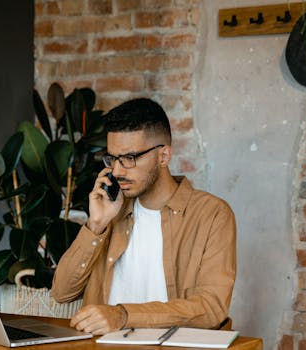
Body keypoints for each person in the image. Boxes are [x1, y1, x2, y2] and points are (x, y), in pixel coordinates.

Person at [50, 98, 236, 335]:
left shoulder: (212, 214)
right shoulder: (111, 211)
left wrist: (123, 315)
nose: (117, 171)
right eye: (113, 159)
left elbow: (211, 307)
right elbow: (61, 293)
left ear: (164, 156)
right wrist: (96, 224)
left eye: (129, 158)